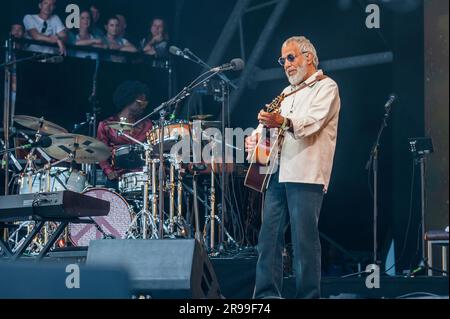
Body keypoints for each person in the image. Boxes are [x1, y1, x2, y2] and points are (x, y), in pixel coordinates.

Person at [245, 36, 341, 299]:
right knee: (268, 239)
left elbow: (312, 123)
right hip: (278, 172)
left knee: (303, 242)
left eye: (291, 57)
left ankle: (308, 296)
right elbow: (269, 126)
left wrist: (281, 121)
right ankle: (266, 297)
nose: (286, 64)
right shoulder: (286, 94)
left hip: (306, 174)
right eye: (282, 60)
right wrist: (255, 138)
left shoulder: (326, 87)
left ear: (308, 57)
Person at [97, 81, 153, 189]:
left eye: (145, 103)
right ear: (128, 100)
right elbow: (99, 152)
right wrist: (108, 171)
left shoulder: (147, 124)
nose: (143, 106)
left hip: (142, 177)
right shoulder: (106, 125)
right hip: (117, 177)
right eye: (139, 103)